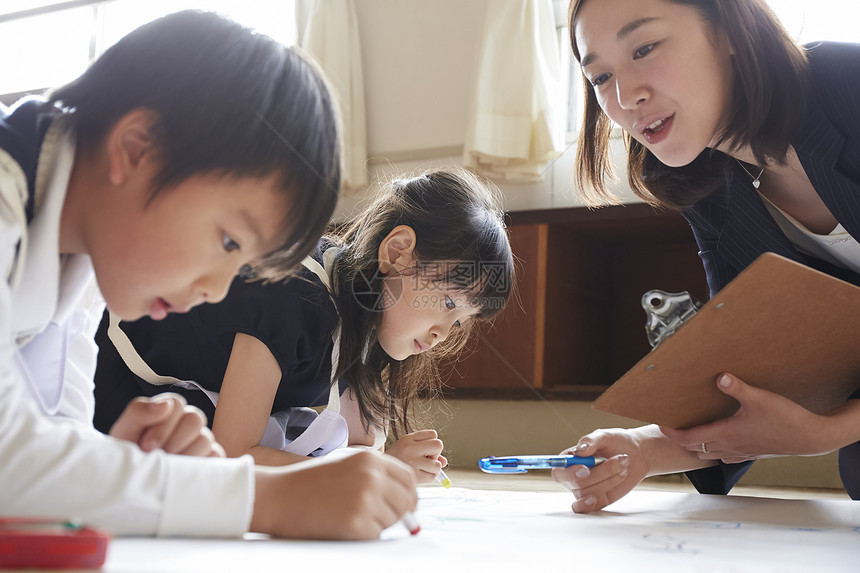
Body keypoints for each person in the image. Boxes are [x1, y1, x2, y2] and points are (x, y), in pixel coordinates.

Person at [0, 9, 419, 540]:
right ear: (134, 150)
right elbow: (9, 464)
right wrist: (263, 497)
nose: (216, 290)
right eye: (227, 241)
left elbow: (44, 454)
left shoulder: (79, 247)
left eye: (241, 265)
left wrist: (114, 465)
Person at [553, 0, 860, 512]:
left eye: (645, 48)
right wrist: (642, 450)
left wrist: (831, 430)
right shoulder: (709, 191)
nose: (626, 96)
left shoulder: (847, 85)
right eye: (601, 76)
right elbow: (745, 364)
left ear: (732, 29)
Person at [92, 167, 515, 483]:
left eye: (459, 319)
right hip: (123, 384)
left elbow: (359, 446)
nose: (444, 332)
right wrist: (377, 469)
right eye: (444, 301)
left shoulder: (375, 328)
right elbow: (232, 454)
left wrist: (379, 463)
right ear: (398, 251)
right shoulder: (295, 294)